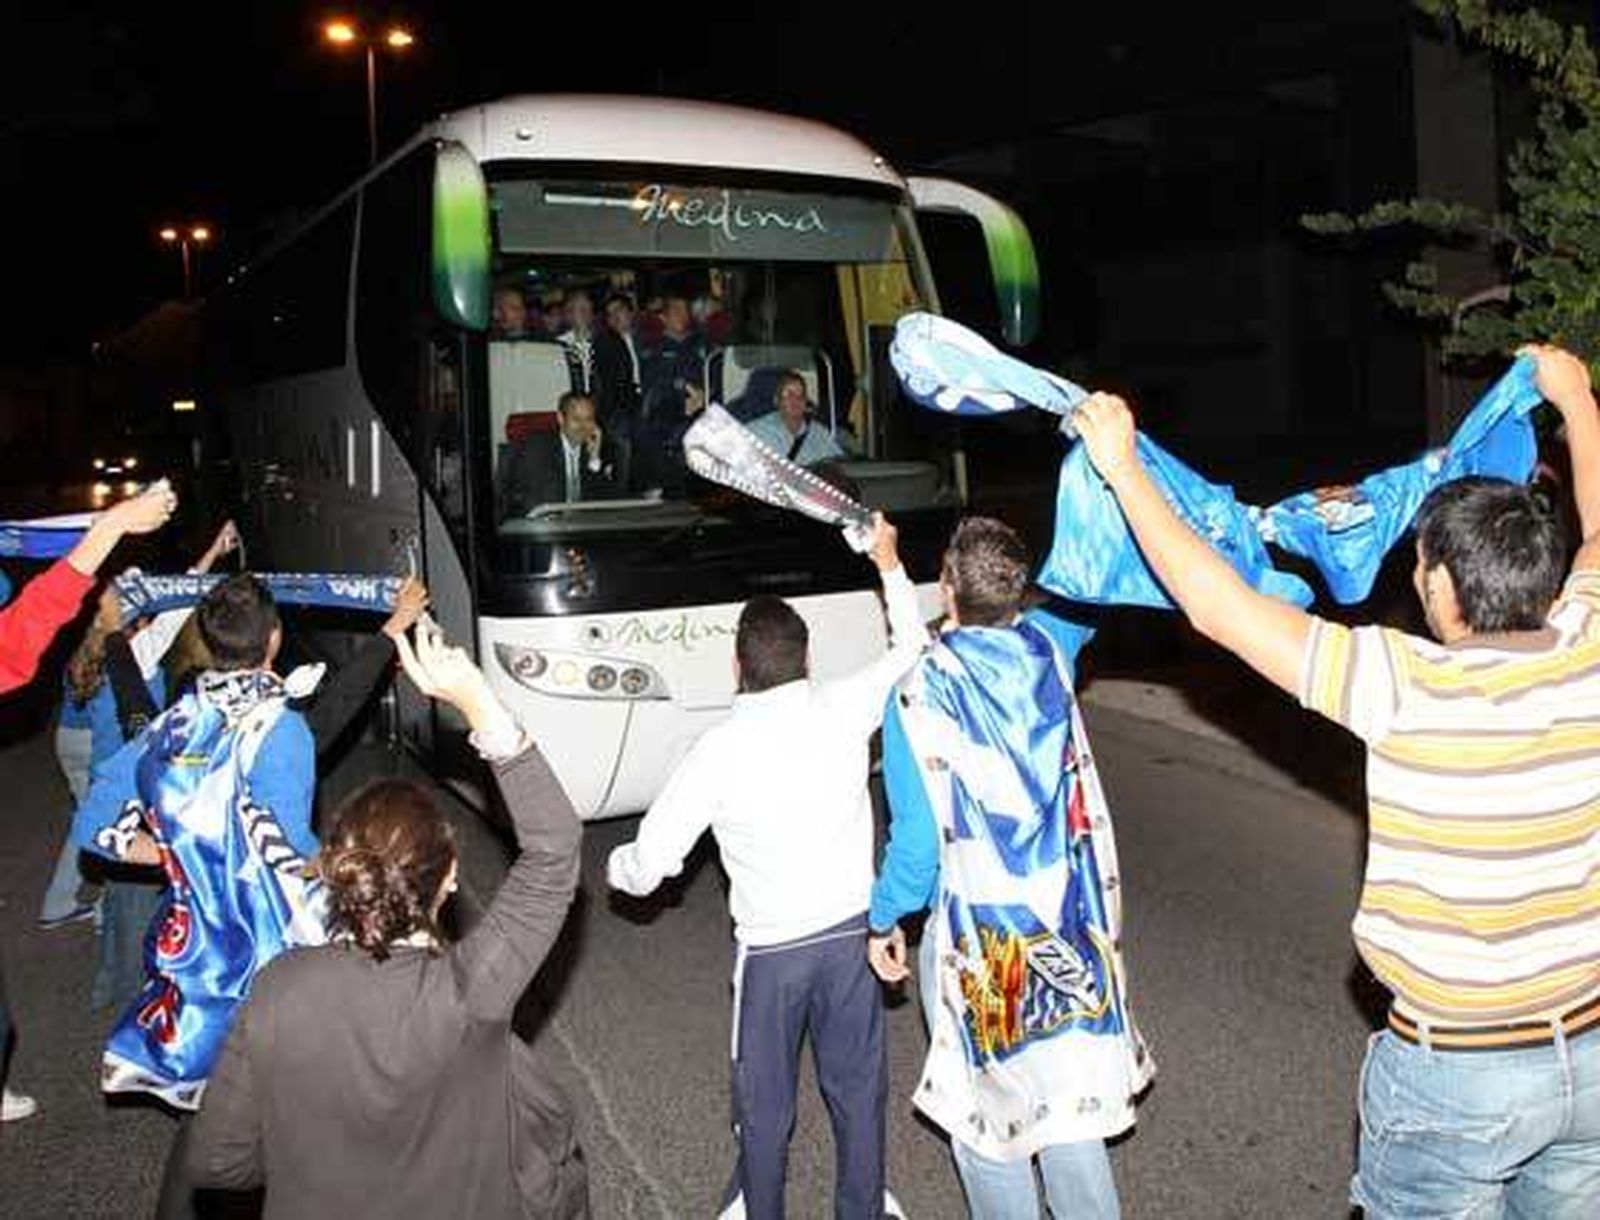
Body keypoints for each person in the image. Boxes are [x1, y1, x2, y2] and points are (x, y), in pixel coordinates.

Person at [1070, 343, 1600, 1219]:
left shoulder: (1402, 684)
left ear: (1442, 587)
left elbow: (1219, 608)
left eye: (1420, 563)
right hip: (1588, 1054)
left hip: (1458, 1076)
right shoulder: (1586, 648)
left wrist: (1123, 469)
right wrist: (1577, 401)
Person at [187, 616, 587, 1218]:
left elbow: (218, 1162)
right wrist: (478, 701)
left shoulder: (277, 986)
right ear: (449, 878)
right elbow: (553, 850)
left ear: (336, 868)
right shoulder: (468, 992)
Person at [608, 515, 921, 1219]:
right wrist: (890, 563)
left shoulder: (717, 751)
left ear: (737, 666)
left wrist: (619, 870)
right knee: (858, 1094)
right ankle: (862, 1210)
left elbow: (652, 864)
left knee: (765, 1108)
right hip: (851, 938)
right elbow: (911, 647)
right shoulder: (843, 705)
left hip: (773, 956)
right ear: (807, 659)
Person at [866, 517, 1152, 1220]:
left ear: (947, 588)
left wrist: (883, 917)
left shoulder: (916, 693)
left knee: (990, 1125)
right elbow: (1092, 585)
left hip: (980, 940)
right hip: (1067, 925)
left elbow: (917, 847)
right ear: (1019, 592)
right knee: (1068, 1105)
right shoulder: (1050, 648)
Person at [72, 572, 320, 1110]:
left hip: (195, 947)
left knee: (222, 1101)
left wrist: (180, 854)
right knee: (281, 1097)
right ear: (274, 637)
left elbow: (93, 829)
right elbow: (291, 854)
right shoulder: (281, 727)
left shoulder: (171, 723)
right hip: (268, 945)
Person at [0, 479, 178, 1123]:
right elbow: (26, 628)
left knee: (97, 853)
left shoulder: (98, 648)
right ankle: (121, 988)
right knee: (120, 880)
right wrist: (112, 527)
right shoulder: (121, 653)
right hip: (106, 773)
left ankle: (82, 927)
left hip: (84, 757)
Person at [41, 520, 240, 934]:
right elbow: (180, 605)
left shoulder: (87, 646)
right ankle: (109, 923)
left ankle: (92, 914)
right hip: (124, 770)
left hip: (94, 757)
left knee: (99, 831)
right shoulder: (135, 654)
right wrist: (212, 554)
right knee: (123, 856)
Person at [498, 391, 622, 517]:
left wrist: (594, 459)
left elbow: (609, 503)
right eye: (577, 419)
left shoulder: (600, 448)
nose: (584, 427)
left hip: (581, 523)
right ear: (561, 419)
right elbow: (543, 496)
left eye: (589, 419)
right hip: (541, 522)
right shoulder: (538, 447)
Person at [746, 371, 845, 465]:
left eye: (801, 395)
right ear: (776, 400)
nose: (796, 400)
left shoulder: (818, 432)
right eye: (789, 394)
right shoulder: (757, 431)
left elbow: (839, 464)